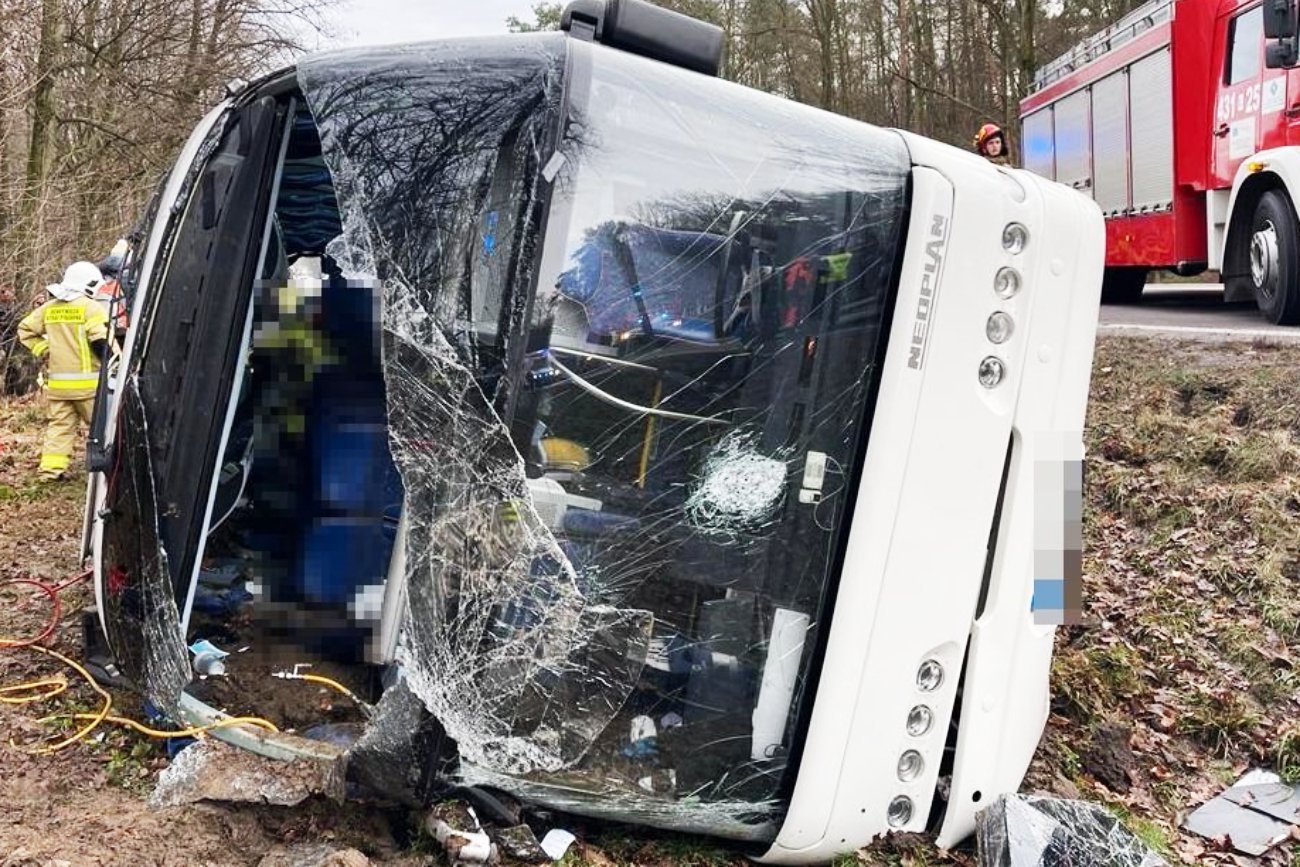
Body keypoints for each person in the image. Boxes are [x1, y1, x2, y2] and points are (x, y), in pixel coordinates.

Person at [17, 261, 110, 481]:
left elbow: (25, 330)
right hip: (88, 386)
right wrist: (114, 361)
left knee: (59, 428)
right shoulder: (90, 307)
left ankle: (50, 472)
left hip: (59, 387)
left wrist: (45, 349)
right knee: (103, 430)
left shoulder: (49, 308)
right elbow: (100, 341)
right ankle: (110, 470)